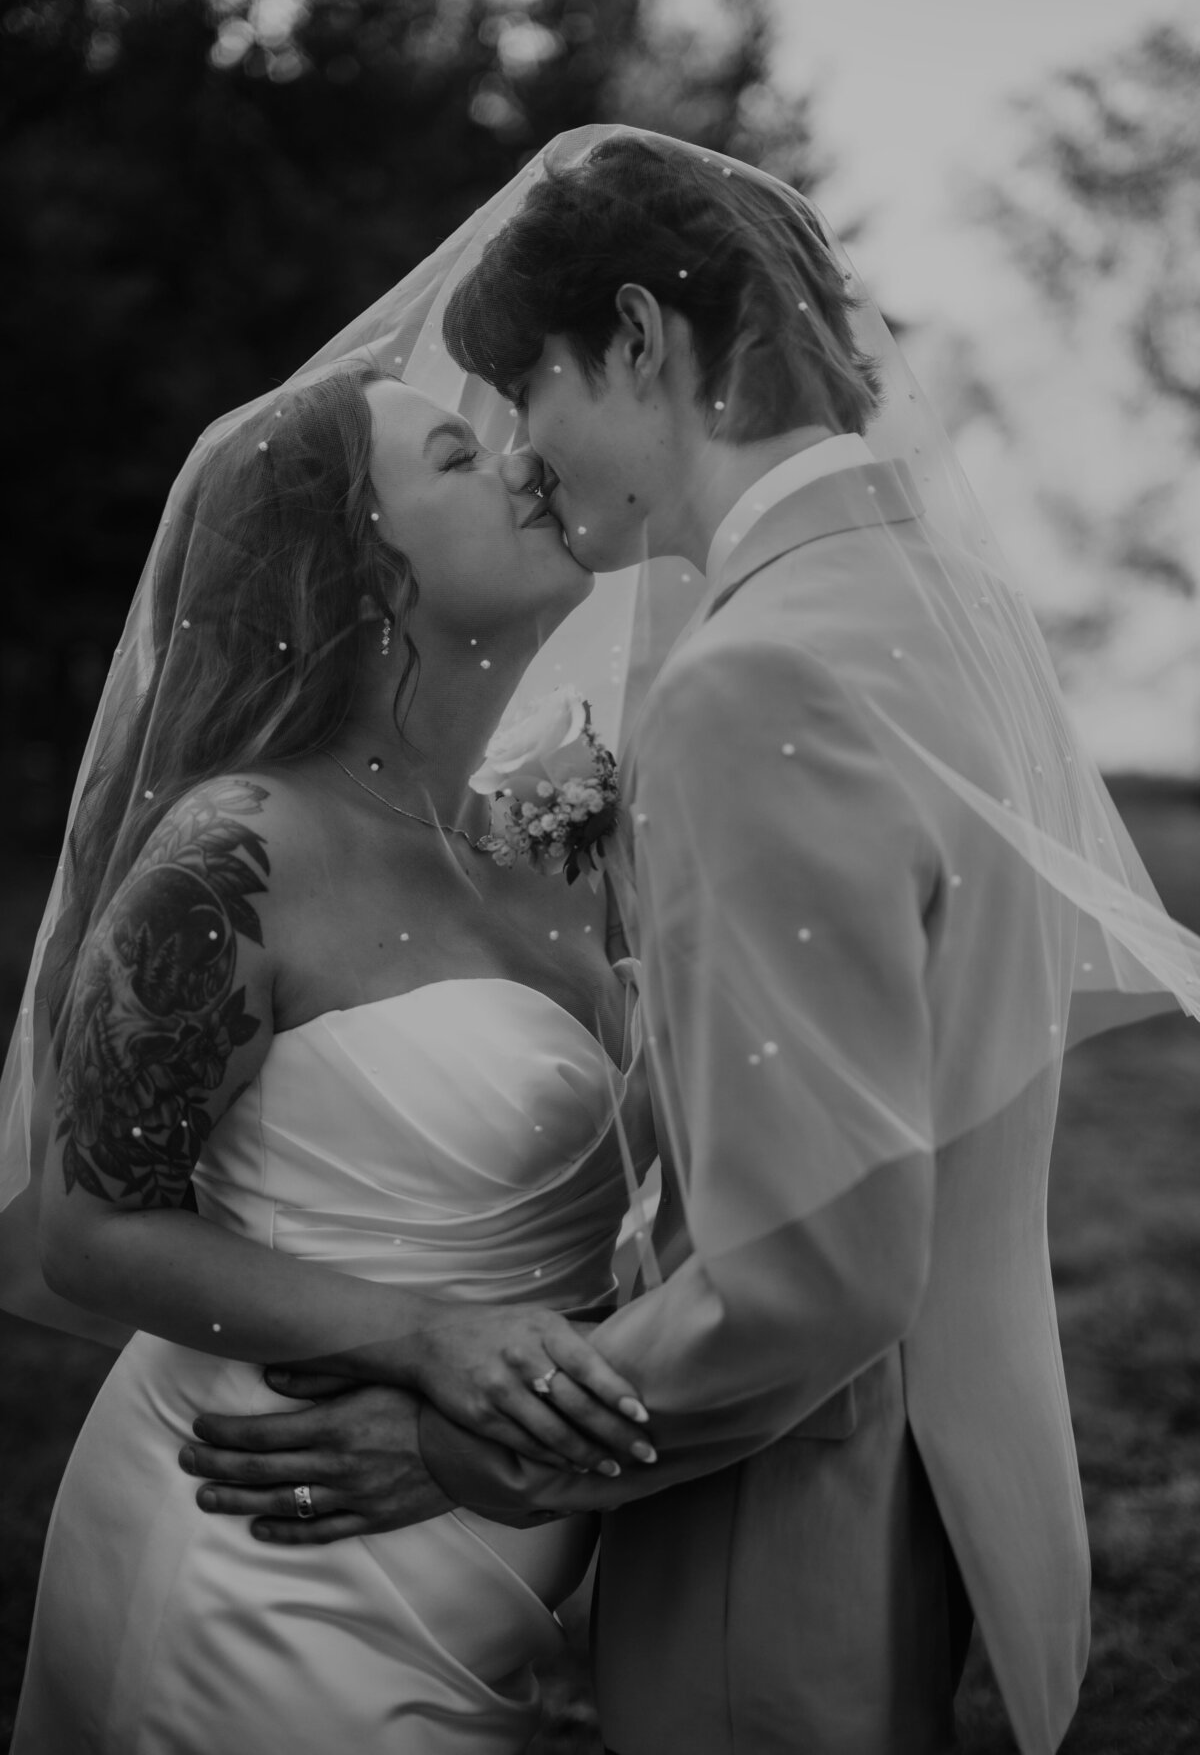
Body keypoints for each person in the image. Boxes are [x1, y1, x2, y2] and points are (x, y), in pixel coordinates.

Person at [182, 130, 1200, 1755]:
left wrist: (465, 1451)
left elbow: (812, 1274)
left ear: (643, 341)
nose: (522, 453)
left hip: (778, 1529)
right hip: (932, 1483)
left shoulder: (749, 679)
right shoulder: (944, 601)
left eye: (532, 391)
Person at [9, 362, 660, 1755]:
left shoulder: (553, 844)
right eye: (454, 460)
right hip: (259, 1547)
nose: (527, 467)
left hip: (493, 1559)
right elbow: (88, 1232)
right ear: (356, 570)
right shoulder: (240, 848)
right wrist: (427, 1343)